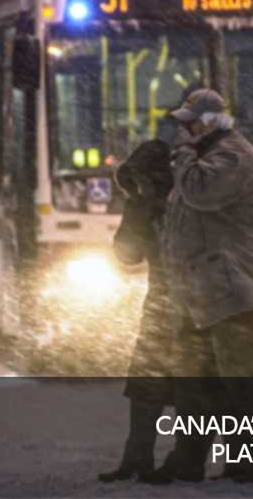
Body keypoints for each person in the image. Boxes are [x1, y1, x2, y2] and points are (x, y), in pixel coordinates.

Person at [156, 88, 253, 485]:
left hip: (233, 288)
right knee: (198, 385)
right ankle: (189, 460)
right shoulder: (209, 156)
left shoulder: (233, 155)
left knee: (245, 383)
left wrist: (181, 156)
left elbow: (202, 193)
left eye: (189, 123)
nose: (183, 130)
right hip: (205, 289)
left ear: (209, 121)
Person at [98, 140, 175, 483]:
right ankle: (137, 457)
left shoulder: (183, 202)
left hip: (190, 305)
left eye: (144, 178)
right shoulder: (144, 206)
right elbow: (128, 256)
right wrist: (137, 213)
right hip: (164, 303)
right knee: (146, 383)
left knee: (190, 387)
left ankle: (183, 460)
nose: (139, 185)